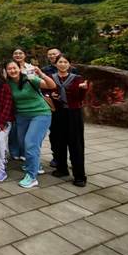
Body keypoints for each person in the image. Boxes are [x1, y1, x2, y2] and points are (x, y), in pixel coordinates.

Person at [5, 60, 56, 188]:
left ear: (19, 68)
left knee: (31, 143)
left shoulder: (30, 78)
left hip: (40, 114)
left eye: (14, 68)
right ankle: (35, 164)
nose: (12, 70)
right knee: (23, 143)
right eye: (9, 69)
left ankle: (31, 176)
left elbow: (51, 85)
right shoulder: (8, 83)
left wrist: (41, 74)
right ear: (6, 71)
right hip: (22, 116)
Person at [50, 54, 89, 187]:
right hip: (57, 113)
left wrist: (83, 89)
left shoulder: (77, 79)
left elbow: (81, 98)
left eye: (65, 62)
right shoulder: (51, 78)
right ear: (56, 64)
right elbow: (45, 91)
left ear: (69, 64)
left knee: (76, 144)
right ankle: (62, 169)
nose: (62, 64)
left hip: (73, 114)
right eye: (60, 62)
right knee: (58, 142)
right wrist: (51, 95)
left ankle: (79, 176)